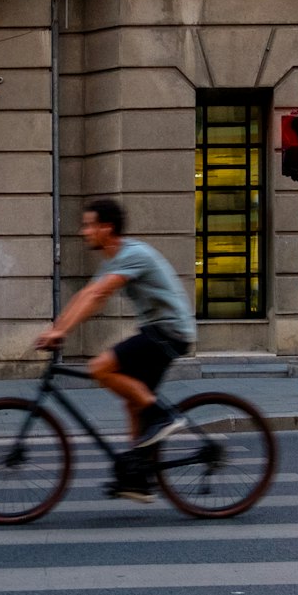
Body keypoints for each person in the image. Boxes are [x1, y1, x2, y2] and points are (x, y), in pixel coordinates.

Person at [35, 196, 197, 502]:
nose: (84, 232)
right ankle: (138, 476)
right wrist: (57, 328)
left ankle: (163, 417)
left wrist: (60, 331)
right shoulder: (115, 259)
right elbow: (88, 296)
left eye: (88, 225)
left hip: (169, 331)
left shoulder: (133, 254)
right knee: (132, 402)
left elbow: (99, 292)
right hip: (159, 330)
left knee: (100, 367)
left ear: (106, 228)